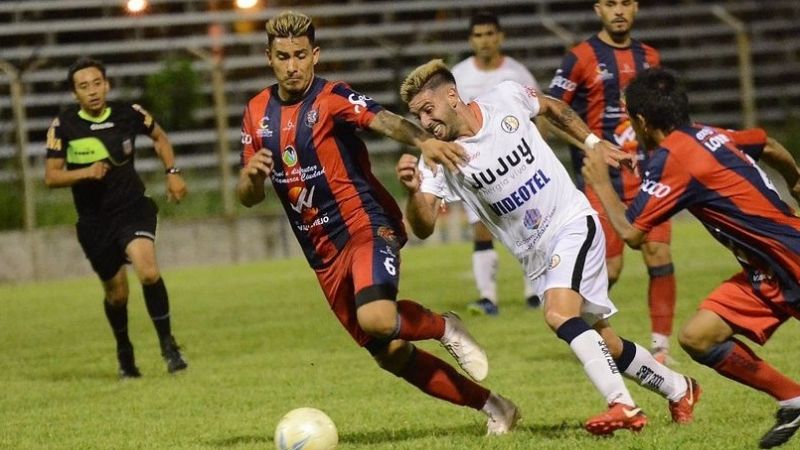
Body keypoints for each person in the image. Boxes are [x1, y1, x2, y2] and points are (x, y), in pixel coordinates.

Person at [237, 11, 519, 435]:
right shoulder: (256, 112)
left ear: (315, 55)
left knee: (377, 319)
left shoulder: (331, 97)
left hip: (364, 226)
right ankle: (496, 407)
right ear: (268, 58)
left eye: (300, 55)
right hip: (322, 254)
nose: (292, 66)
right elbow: (249, 196)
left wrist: (424, 141)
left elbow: (384, 119)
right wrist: (251, 178)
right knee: (391, 353)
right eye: (283, 57)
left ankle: (443, 326)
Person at [396, 58, 701, 436]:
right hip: (536, 258)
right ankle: (679, 388)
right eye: (418, 115)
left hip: (571, 224)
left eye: (428, 109)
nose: (425, 122)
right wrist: (413, 191)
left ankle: (622, 405)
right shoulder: (436, 158)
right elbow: (423, 226)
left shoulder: (505, 99)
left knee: (558, 314)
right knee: (604, 342)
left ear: (452, 97)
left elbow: (553, 107)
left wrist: (593, 143)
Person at [582, 67, 800, 449]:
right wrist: (795, 181)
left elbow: (632, 233)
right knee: (699, 337)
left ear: (642, 122)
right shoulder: (708, 134)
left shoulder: (674, 158)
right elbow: (766, 143)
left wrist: (601, 183)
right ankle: (793, 400)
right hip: (765, 270)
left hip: (791, 260)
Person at [549, 0, 677, 363]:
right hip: (602, 180)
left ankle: (661, 348)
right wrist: (589, 145)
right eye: (610, 4)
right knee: (610, 268)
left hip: (649, 177)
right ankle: (579, 329)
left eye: (625, 3)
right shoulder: (580, 57)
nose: (618, 11)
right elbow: (548, 114)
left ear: (635, 8)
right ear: (597, 10)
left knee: (658, 253)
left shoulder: (650, 56)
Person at [44, 57, 188, 378]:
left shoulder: (128, 113)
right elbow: (51, 176)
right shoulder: (63, 125)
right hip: (94, 221)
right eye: (84, 87)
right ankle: (125, 353)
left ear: (107, 85)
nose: (93, 91)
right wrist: (85, 172)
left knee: (148, 271)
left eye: (97, 83)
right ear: (75, 94)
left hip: (131, 208)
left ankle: (169, 347)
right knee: (117, 294)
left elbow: (160, 137)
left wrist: (172, 172)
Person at [451, 11, 542, 315]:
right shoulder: (459, 75)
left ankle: (534, 291)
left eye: (490, 34)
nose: (485, 41)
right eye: (478, 35)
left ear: (500, 37)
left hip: (515, 164)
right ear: (470, 40)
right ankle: (487, 297)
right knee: (481, 228)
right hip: (475, 166)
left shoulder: (517, 73)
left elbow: (536, 113)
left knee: (529, 226)